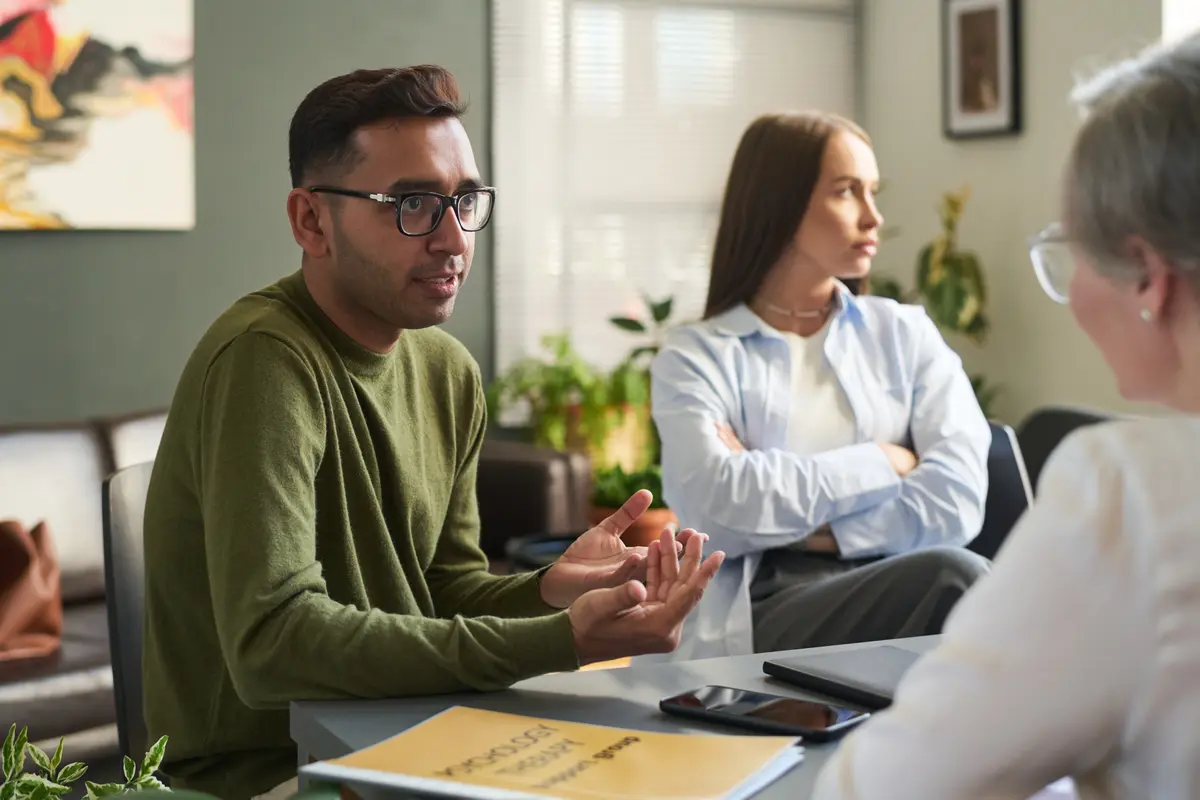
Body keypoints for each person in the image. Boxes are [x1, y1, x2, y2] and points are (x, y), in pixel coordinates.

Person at [140, 65, 723, 800]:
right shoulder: (265, 361)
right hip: (271, 774)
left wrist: (549, 592)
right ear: (311, 221)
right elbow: (272, 645)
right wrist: (563, 640)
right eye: (412, 204)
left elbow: (442, 590)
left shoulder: (447, 370)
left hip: (414, 737)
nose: (453, 239)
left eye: (465, 201)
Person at [813, 32, 1200, 799]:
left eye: (1071, 251)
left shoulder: (1135, 496)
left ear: (1147, 277)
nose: (1074, 292)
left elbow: (883, 788)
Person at [648, 110, 992, 663]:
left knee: (968, 582)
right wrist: (885, 462)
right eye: (846, 191)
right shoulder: (697, 356)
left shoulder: (904, 334)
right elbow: (717, 513)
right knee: (956, 577)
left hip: (894, 581)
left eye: (873, 192)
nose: (873, 216)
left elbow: (957, 500)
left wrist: (793, 522)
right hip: (765, 604)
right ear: (780, 203)